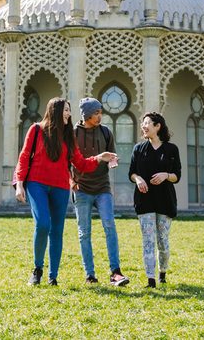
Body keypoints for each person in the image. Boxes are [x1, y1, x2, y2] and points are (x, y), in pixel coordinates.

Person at [14, 97, 117, 286]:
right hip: (36, 183)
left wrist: (99, 158)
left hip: (60, 187)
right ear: (54, 110)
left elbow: (81, 163)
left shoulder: (69, 137)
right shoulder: (36, 130)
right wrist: (19, 183)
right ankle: (38, 269)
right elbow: (24, 156)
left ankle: (53, 276)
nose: (69, 113)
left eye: (70, 110)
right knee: (43, 223)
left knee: (57, 231)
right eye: (65, 110)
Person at [72, 97, 129, 286]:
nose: (100, 116)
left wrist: (113, 161)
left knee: (109, 226)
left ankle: (116, 273)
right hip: (81, 189)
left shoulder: (105, 132)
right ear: (87, 114)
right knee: (84, 232)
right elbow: (65, 161)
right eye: (96, 113)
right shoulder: (72, 134)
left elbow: (112, 155)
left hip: (103, 187)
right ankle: (90, 275)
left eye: (100, 112)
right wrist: (70, 180)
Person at [128, 111, 181, 288]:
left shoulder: (171, 149)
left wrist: (166, 175)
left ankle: (162, 273)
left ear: (157, 126)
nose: (144, 126)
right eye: (143, 123)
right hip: (145, 200)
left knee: (163, 242)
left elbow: (177, 176)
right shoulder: (138, 149)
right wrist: (138, 179)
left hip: (165, 201)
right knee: (148, 240)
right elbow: (132, 173)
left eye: (147, 123)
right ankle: (150, 278)